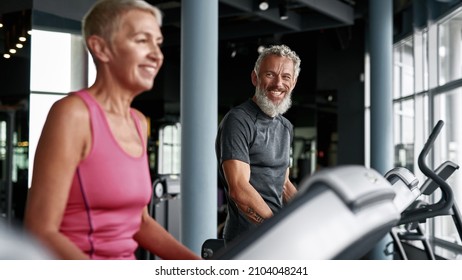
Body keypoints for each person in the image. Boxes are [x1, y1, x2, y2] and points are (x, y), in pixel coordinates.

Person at [24, 0, 200, 260]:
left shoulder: (138, 122)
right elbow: (40, 230)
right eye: (142, 40)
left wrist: (200, 267)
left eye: (158, 42)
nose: (157, 54)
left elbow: (138, 222)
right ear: (101, 48)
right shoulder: (73, 114)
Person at [216, 44, 301, 244]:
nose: (278, 83)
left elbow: (284, 184)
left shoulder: (285, 127)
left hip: (273, 236)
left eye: (286, 77)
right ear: (255, 78)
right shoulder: (238, 120)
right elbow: (238, 188)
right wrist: (275, 230)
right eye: (270, 75)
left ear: (294, 83)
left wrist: (309, 215)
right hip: (246, 240)